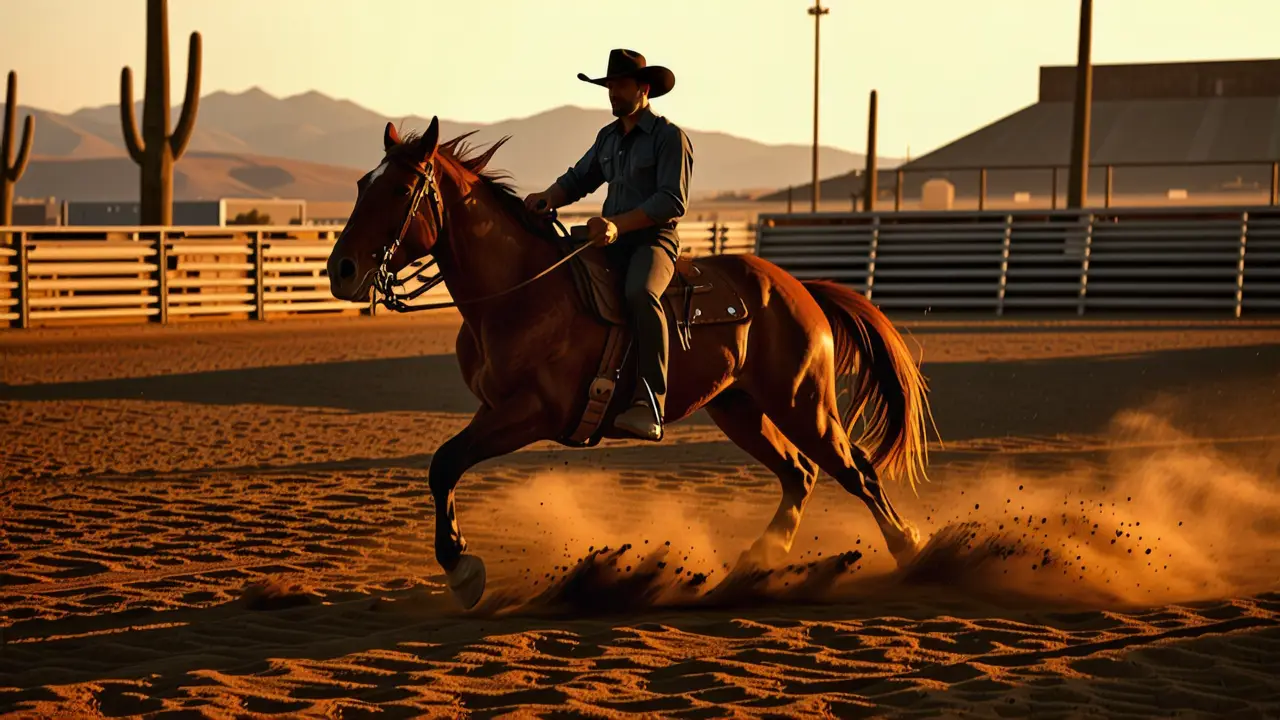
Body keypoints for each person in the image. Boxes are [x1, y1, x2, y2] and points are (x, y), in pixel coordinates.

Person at [524, 49, 694, 442]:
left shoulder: (669, 138)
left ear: (644, 88)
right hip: (609, 238)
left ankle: (650, 402)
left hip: (654, 240)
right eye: (609, 87)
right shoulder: (608, 137)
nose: (612, 94)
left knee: (640, 293)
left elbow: (672, 200)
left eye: (619, 86)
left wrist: (618, 225)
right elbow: (579, 177)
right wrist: (547, 197)